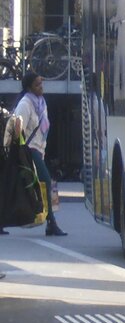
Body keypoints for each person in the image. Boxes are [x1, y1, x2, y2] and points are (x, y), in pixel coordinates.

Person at [12, 72, 66, 237]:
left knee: (14, 186)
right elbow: (17, 129)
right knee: (46, 181)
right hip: (29, 150)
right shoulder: (26, 104)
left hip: (39, 149)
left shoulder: (41, 103)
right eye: (37, 85)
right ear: (29, 87)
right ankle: (51, 222)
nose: (41, 87)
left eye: (41, 84)